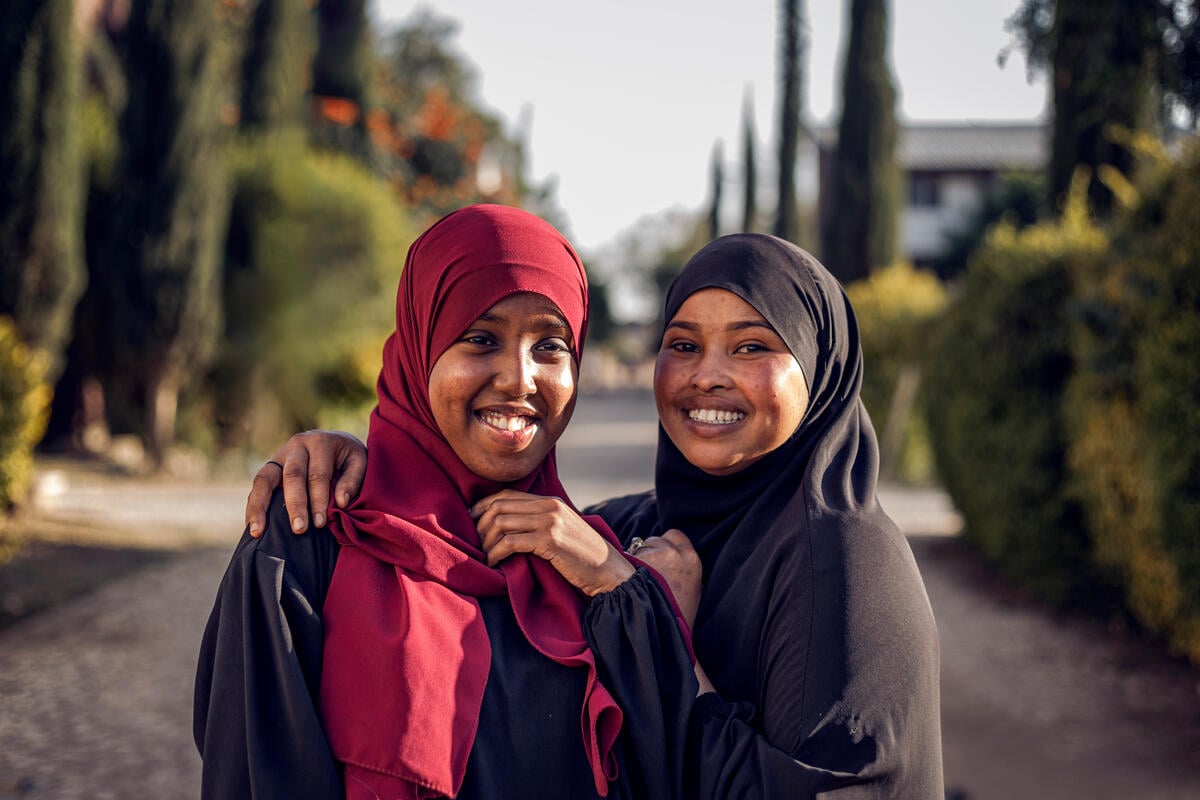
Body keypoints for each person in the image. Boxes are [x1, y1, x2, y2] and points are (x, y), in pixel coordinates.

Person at [251, 233, 945, 797]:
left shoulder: (843, 556)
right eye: (681, 344)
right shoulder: (621, 529)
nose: (707, 374)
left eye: (752, 345)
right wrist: (355, 457)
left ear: (820, 370)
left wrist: (647, 620)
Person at [194, 204, 697, 800]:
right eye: (480, 339)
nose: (519, 378)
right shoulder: (309, 539)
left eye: (551, 346)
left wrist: (623, 589)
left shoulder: (591, 565)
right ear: (418, 346)